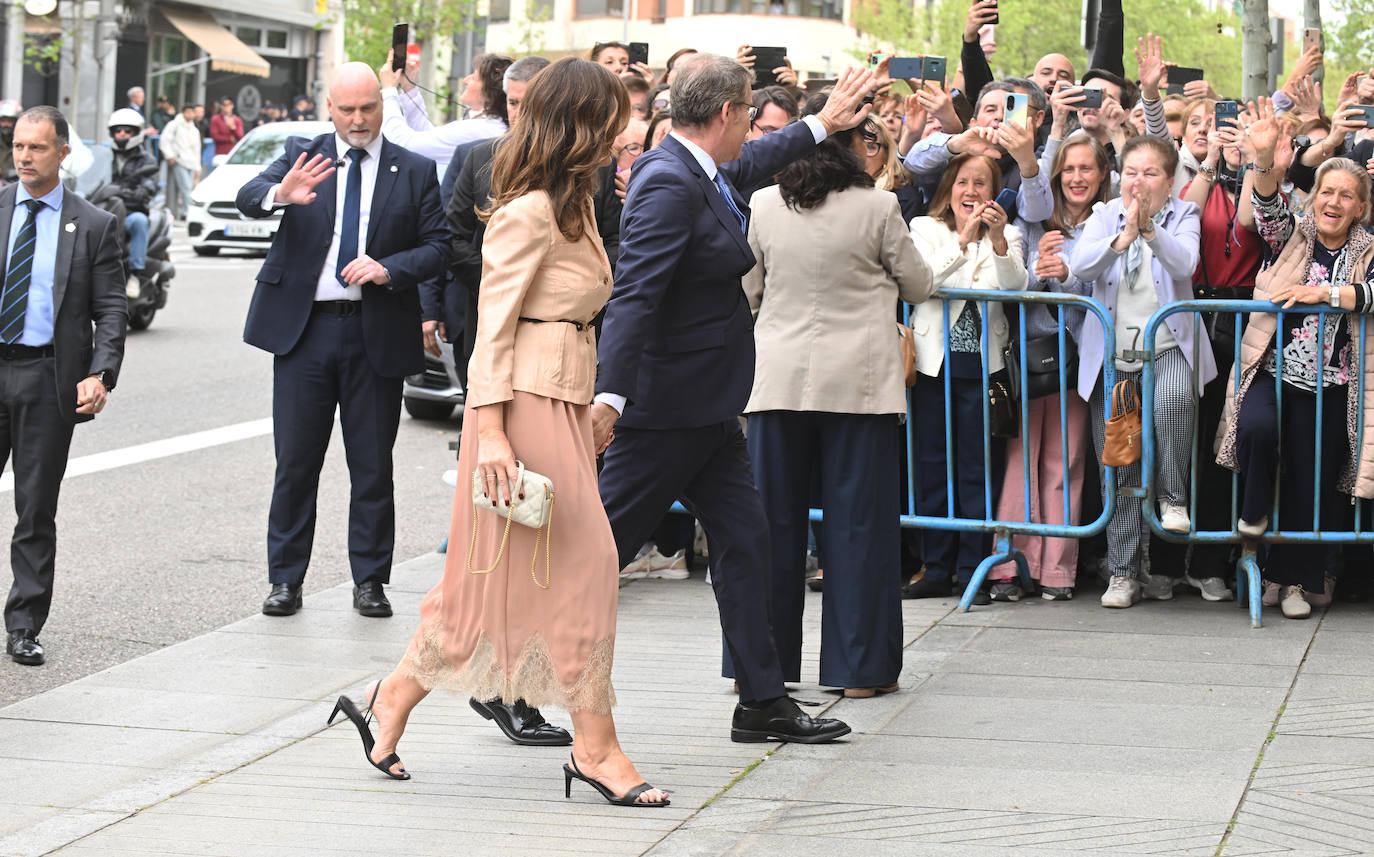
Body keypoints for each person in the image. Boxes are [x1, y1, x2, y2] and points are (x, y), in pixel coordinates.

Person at [328, 57, 671, 808]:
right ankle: (596, 746)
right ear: (581, 122)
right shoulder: (527, 211)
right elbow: (492, 332)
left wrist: (587, 408)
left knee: (482, 587)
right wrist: (489, 435)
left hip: (558, 408)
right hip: (518, 411)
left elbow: (575, 319)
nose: (626, 132)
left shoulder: (575, 204)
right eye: (614, 118)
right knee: (585, 570)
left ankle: (390, 698)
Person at [593, 53, 874, 743]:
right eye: (748, 113)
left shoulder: (700, 168)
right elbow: (635, 295)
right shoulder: (667, 181)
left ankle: (762, 701)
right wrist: (609, 397)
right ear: (725, 114)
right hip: (663, 416)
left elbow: (752, 164)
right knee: (594, 553)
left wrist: (822, 122)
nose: (752, 126)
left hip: (710, 412)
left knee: (748, 543)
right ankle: (503, 672)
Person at [233, 62, 449, 619]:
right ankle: (285, 580)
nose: (357, 120)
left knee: (373, 467)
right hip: (304, 334)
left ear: (382, 106)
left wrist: (388, 267)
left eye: (368, 108)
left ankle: (371, 581)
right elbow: (249, 194)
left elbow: (439, 246)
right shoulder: (305, 153)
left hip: (373, 333)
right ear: (329, 107)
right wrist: (282, 192)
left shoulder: (415, 169)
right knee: (296, 464)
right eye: (346, 109)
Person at [743, 92, 934, 696]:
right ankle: (858, 670)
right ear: (854, 145)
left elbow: (749, 290)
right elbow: (919, 283)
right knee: (859, 531)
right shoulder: (878, 206)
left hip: (777, 379)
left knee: (770, 528)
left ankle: (765, 667)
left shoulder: (765, 203)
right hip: (859, 384)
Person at [1218, 110, 1374, 620]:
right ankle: (1255, 511)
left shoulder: (1369, 250)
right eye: (1326, 192)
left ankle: (1291, 584)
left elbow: (1370, 292)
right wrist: (1263, 161)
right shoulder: (1295, 233)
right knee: (1257, 428)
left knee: (1312, 480)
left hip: (1334, 384)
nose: (1333, 202)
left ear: (1360, 207)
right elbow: (1265, 209)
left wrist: (1326, 292)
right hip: (1274, 372)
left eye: (1346, 196)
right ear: (1315, 196)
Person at [2, 106, 127, 666]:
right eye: (18, 146)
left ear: (63, 153)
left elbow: (111, 308)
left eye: (37, 148)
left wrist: (99, 373)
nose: (25, 157)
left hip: (46, 378)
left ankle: (24, 623)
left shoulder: (93, 224)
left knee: (34, 508)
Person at [1070, 136, 1215, 609]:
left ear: (1169, 182)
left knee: (1172, 399)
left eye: (1150, 173)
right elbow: (1080, 266)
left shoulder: (1183, 215)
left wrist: (1151, 231)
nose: (1138, 182)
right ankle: (1123, 571)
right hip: (1116, 355)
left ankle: (1173, 499)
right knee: (1120, 460)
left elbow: (1185, 263)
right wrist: (1122, 238)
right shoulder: (1102, 215)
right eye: (1131, 171)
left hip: (1169, 345)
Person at [988, 133, 1110, 602]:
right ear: (1057, 175)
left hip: (1078, 360)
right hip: (1028, 357)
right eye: (1070, 169)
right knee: (1021, 462)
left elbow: (1101, 292)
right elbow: (1017, 279)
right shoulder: (1034, 217)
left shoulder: (1106, 224)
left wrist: (1069, 279)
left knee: (1066, 462)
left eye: (1087, 169)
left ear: (1102, 176)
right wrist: (1043, 272)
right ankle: (1008, 569)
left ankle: (1056, 571)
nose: (1077, 178)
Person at [904, 154, 1025, 603]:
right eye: (963, 182)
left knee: (977, 467)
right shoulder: (923, 229)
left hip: (983, 366)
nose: (971, 191)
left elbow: (1015, 284)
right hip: (933, 364)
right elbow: (922, 282)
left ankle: (972, 565)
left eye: (982, 183)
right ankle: (935, 566)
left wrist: (993, 239)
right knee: (931, 464)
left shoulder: (1007, 234)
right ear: (948, 188)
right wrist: (964, 239)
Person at [1175, 106, 1264, 603]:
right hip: (1194, 314)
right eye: (1217, 130)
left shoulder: (1263, 183)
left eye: (1237, 129)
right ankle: (1168, 559)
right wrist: (1210, 159)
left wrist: (1251, 159)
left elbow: (1251, 223)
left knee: (1222, 441)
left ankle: (1211, 561)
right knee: (1181, 436)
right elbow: (1185, 213)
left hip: (1244, 318)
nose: (1227, 137)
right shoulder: (1195, 179)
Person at [381, 52, 510, 171]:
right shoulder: (489, 126)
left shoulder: (480, 129)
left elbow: (404, 146)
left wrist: (388, 91)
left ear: (490, 92)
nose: (465, 80)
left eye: (474, 78)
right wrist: (410, 89)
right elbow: (427, 137)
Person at [106, 108, 158, 294]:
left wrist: (142, 190)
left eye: (127, 131)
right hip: (105, 209)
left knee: (139, 222)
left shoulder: (146, 160)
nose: (122, 134)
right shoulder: (105, 155)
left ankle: (135, 275)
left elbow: (150, 182)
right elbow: (88, 174)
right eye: (118, 130)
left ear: (136, 133)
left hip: (130, 211)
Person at [161, 103, 202, 222]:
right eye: (188, 112)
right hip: (178, 161)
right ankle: (186, 212)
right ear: (183, 112)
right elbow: (165, 140)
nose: (190, 114)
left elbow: (197, 149)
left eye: (192, 112)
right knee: (186, 188)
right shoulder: (174, 125)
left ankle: (182, 211)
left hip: (190, 162)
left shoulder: (194, 130)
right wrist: (170, 155)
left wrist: (197, 167)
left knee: (187, 188)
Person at [0, 99, 23, 183]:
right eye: (3, 121)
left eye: (9, 121)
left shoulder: (25, 140)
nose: (5, 124)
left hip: (20, 182)